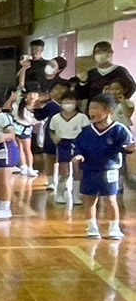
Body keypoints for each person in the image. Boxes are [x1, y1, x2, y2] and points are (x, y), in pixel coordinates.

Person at [72, 93, 135, 239]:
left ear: (108, 111)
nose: (91, 112)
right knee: (90, 199)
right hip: (89, 170)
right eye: (90, 108)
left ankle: (114, 228)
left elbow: (126, 147)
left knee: (110, 199)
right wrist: (78, 155)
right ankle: (92, 227)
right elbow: (78, 147)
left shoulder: (120, 130)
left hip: (110, 170)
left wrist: (130, 149)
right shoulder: (86, 131)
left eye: (95, 108)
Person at [47, 92, 90, 206]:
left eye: (71, 102)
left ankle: (76, 195)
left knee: (77, 170)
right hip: (63, 143)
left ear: (76, 103)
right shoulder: (56, 118)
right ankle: (60, 193)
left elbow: (87, 132)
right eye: (65, 102)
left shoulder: (82, 117)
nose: (68, 105)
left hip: (78, 144)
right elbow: (51, 131)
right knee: (64, 171)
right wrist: (55, 138)